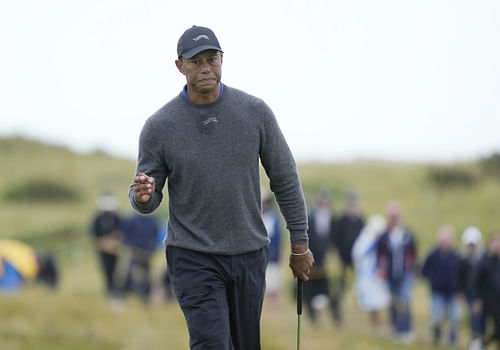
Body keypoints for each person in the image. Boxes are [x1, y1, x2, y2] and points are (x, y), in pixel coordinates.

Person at [128, 25, 314, 350]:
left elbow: (284, 178)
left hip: (248, 252)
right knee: (212, 344)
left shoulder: (254, 113)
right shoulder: (159, 127)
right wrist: (142, 197)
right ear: (179, 66)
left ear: (222, 59)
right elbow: (148, 195)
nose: (205, 68)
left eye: (211, 59)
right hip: (192, 255)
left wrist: (300, 244)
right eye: (195, 61)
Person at [376, 201, 417, 343]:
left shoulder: (407, 234)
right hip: (390, 274)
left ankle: (406, 329)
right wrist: (380, 271)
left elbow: (413, 253)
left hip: (404, 273)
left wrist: (412, 271)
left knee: (404, 301)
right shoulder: (384, 235)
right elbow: (380, 255)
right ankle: (396, 329)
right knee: (393, 302)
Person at [421, 225, 461, 346]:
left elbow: (461, 273)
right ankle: (437, 338)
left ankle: (452, 341)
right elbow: (424, 270)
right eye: (442, 240)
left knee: (454, 318)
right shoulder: (433, 255)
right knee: (436, 317)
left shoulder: (455, 256)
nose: (444, 243)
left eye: (447, 240)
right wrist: (432, 279)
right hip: (437, 291)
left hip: (452, 292)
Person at [303, 189, 337, 323]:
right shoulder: (310, 220)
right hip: (312, 262)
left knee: (330, 292)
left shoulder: (334, 220)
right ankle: (313, 319)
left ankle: (334, 318)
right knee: (310, 291)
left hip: (328, 262)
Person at [351, 214, 390, 333]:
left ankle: (383, 325)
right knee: (371, 303)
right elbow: (358, 254)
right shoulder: (365, 238)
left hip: (378, 276)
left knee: (381, 301)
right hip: (367, 277)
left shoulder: (382, 239)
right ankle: (375, 326)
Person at [332, 191, 364, 323]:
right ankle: (338, 305)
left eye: (353, 203)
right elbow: (335, 238)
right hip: (343, 259)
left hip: (358, 261)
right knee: (342, 286)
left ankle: (361, 304)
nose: (351, 206)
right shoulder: (341, 220)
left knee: (359, 284)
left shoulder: (361, 221)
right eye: (349, 203)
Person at [121, 213, 160, 302]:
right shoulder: (132, 220)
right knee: (129, 272)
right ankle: (124, 293)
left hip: (147, 253)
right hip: (134, 252)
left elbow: (155, 236)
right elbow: (126, 234)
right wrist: (129, 245)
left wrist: (152, 249)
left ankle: (145, 295)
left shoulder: (153, 221)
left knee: (146, 274)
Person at [90, 192, 123, 297]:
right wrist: (104, 243)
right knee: (106, 270)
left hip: (116, 250)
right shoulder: (97, 218)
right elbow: (94, 234)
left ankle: (115, 290)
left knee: (116, 271)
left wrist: (116, 241)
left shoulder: (117, 217)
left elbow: (122, 231)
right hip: (102, 250)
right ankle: (109, 291)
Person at [458, 226, 486, 346]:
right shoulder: (464, 261)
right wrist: (461, 293)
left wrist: (480, 298)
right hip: (470, 295)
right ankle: (475, 341)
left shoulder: (483, 260)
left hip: (483, 295)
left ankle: (480, 341)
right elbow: (460, 279)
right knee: (473, 319)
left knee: (481, 318)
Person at [471, 233, 500, 350]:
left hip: (498, 302)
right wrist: (477, 299)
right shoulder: (484, 261)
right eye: (495, 242)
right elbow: (475, 282)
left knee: (498, 329)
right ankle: (479, 344)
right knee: (481, 327)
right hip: (485, 301)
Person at [261, 195, 283, 305]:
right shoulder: (261, 217)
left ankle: (273, 304)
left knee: (273, 283)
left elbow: (278, 238)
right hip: (261, 256)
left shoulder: (274, 218)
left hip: (273, 256)